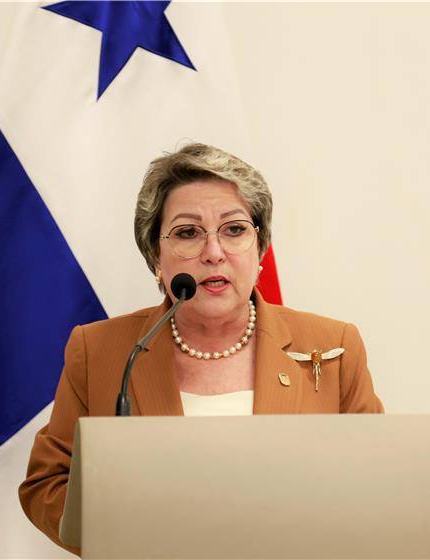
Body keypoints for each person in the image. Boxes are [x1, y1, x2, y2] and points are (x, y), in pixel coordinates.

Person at [19, 143, 383, 554]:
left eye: (234, 230)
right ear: (157, 256)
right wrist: (125, 533)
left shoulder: (333, 346)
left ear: (260, 248)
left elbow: (375, 482)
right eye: (188, 233)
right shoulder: (101, 351)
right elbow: (47, 483)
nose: (213, 253)